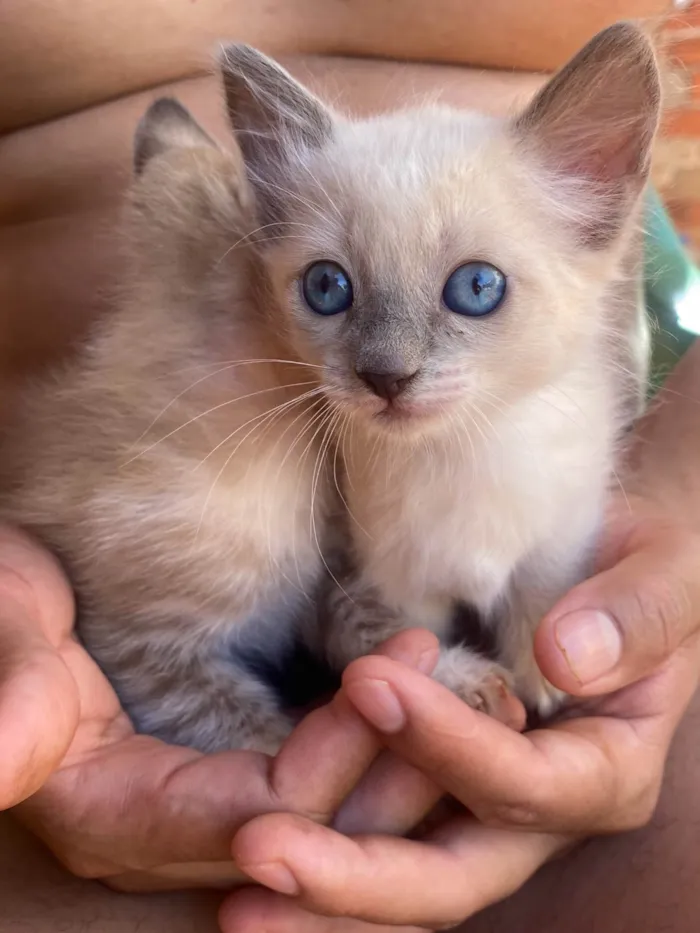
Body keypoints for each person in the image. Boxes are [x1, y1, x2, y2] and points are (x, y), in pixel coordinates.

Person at [2, 1, 698, 930]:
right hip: (126, 530)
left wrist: (677, 496)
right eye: (328, 288)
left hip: (545, 442)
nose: (392, 361)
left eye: (471, 288)